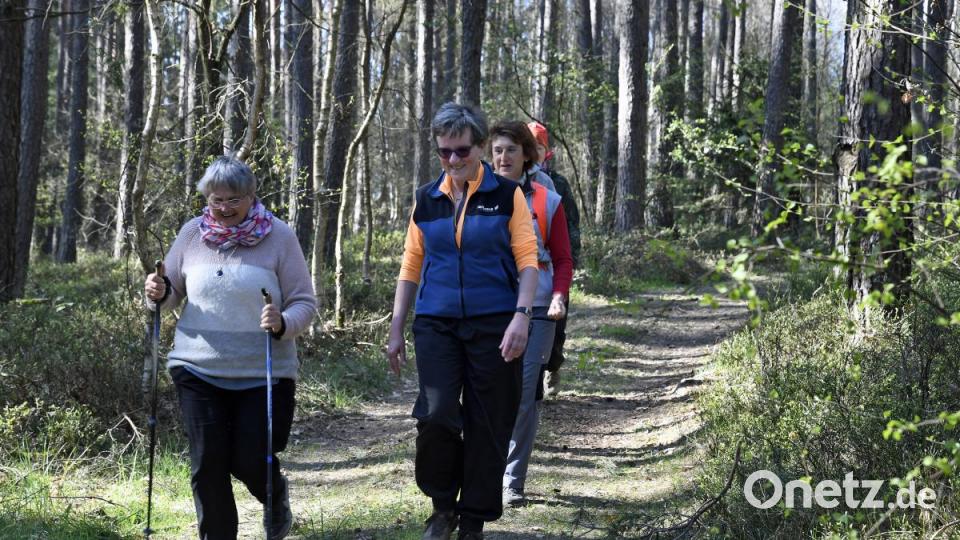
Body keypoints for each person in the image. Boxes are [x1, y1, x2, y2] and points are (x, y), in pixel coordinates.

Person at [386, 103, 539, 540]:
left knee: (488, 420)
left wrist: (521, 317)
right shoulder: (426, 199)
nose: (452, 161)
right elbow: (411, 264)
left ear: (479, 149)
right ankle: (441, 505)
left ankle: (473, 518)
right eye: (444, 152)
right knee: (436, 415)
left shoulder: (505, 195)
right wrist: (397, 327)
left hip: (495, 324)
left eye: (461, 151)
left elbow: (528, 260)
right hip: (436, 323)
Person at [144, 155, 316, 540]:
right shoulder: (191, 234)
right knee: (208, 463)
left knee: (252, 461)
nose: (223, 209)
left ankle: (274, 495)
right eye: (215, 200)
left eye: (232, 200)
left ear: (251, 196)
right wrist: (157, 291)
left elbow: (304, 301)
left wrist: (283, 322)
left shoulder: (280, 237)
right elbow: (168, 292)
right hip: (197, 367)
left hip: (263, 372)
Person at [488, 121, 573, 507]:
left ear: (527, 154)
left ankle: (511, 480)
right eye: (497, 151)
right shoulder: (474, 195)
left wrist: (559, 296)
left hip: (537, 308)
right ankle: (483, 470)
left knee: (524, 395)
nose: (503, 157)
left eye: (511, 150)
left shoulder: (547, 198)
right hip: (487, 308)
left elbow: (563, 258)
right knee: (486, 393)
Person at [527, 121, 581, 397]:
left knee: (557, 330)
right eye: (530, 146)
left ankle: (553, 367)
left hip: (554, 270)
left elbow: (570, 223)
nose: (534, 153)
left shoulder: (556, 184)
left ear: (546, 151)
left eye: (539, 147)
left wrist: (570, 261)